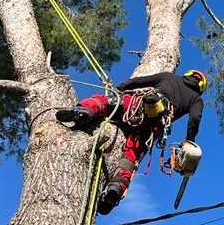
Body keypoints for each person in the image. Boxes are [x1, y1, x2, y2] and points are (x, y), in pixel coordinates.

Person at [55, 69, 207, 214]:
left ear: (188, 74)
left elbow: (141, 81)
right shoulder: (196, 99)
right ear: (201, 87)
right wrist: (189, 139)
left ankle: (85, 111)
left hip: (139, 106)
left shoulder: (170, 77)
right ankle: (117, 187)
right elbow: (195, 118)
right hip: (154, 125)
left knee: (109, 102)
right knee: (132, 154)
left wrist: (121, 87)